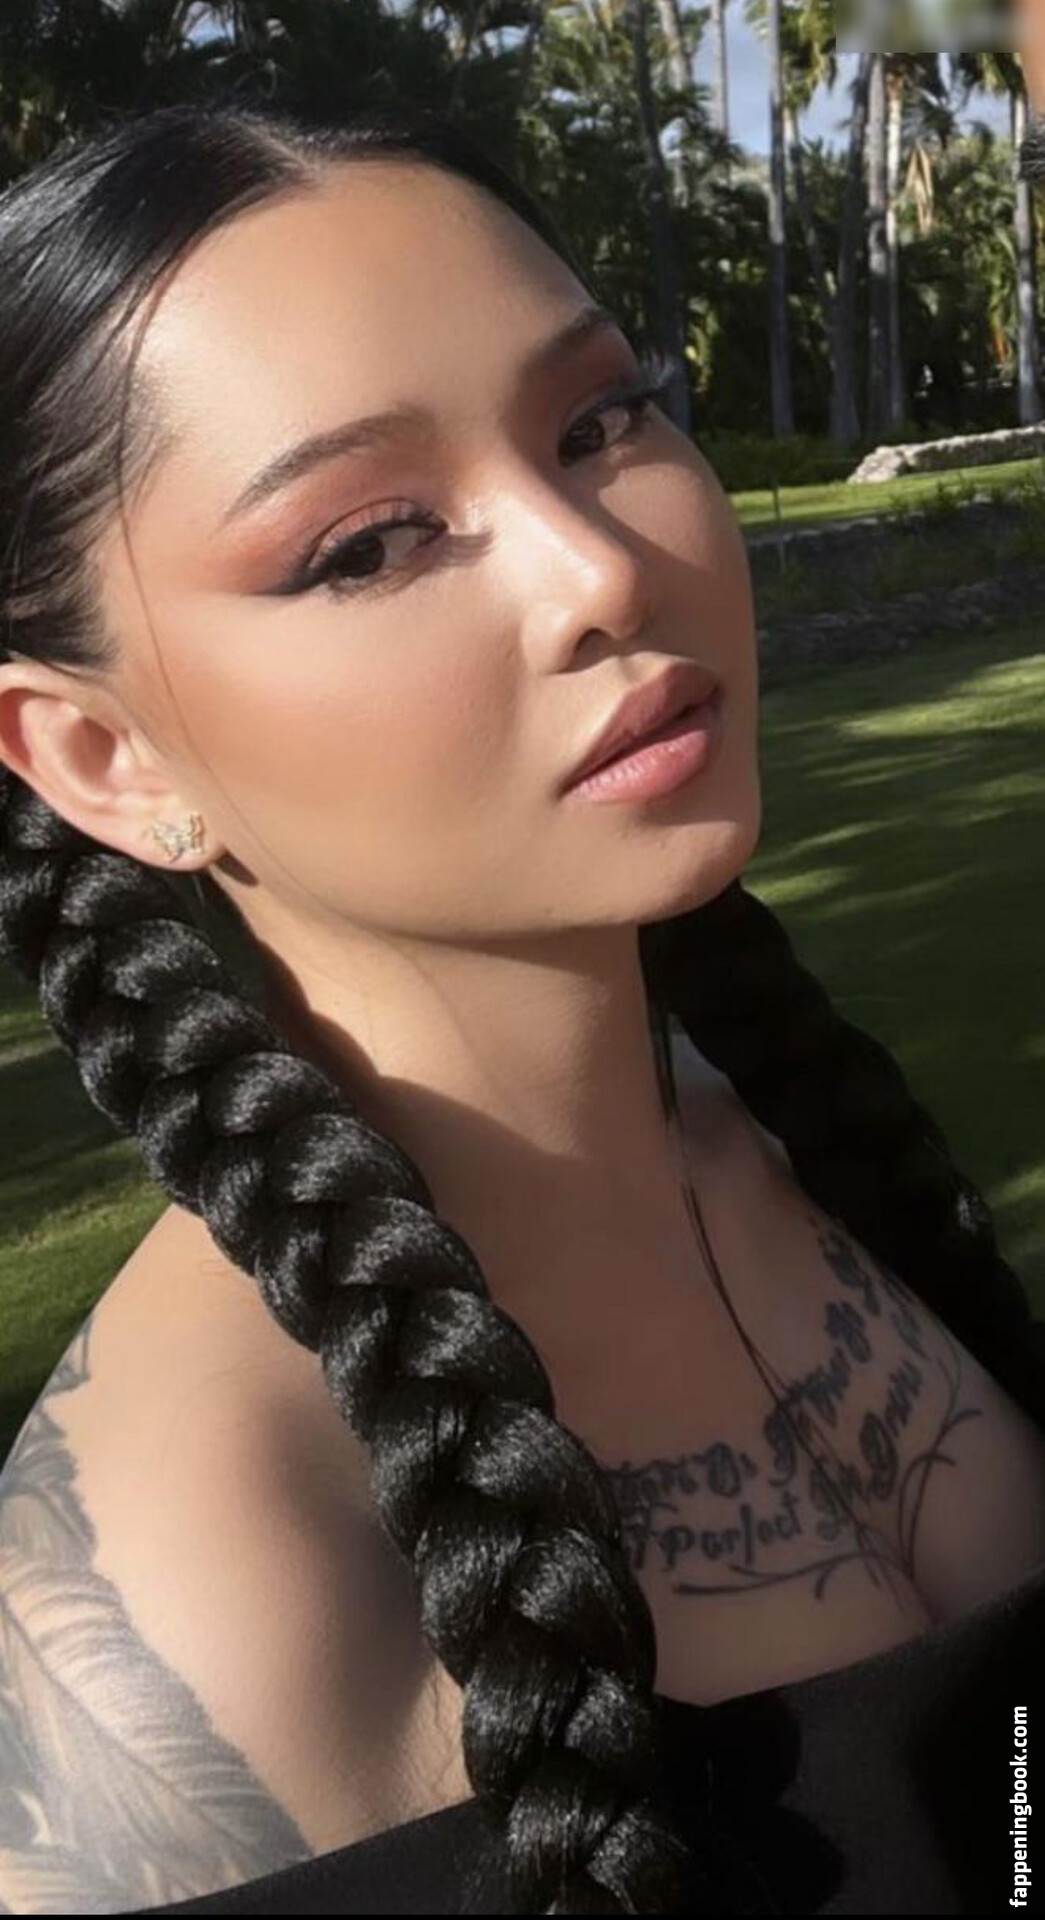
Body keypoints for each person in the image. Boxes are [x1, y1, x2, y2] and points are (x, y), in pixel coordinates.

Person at [0, 97, 1043, 1919]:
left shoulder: (794, 1149)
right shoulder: (182, 1592)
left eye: (600, 420)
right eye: (368, 543)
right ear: (102, 757)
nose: (602, 569)